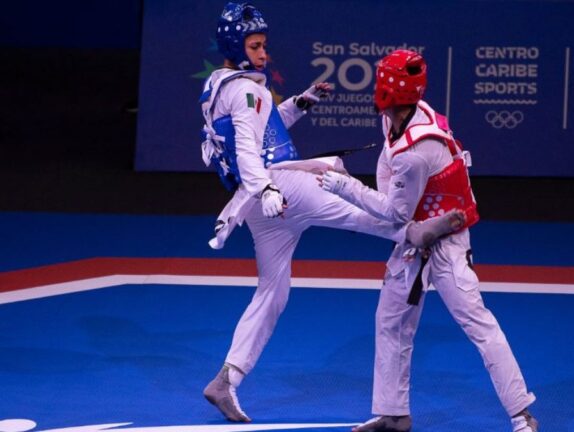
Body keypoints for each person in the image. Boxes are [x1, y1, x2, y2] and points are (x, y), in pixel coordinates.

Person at [198, 3, 464, 424]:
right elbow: (248, 149)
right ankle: (416, 233)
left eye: (264, 45)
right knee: (355, 211)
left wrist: (300, 104)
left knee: (273, 290)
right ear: (236, 45)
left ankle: (226, 379)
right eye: (256, 45)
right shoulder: (246, 91)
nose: (264, 53)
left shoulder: (222, 86)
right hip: (280, 187)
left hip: (260, 206)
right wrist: (266, 187)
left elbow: (265, 125)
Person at [320, 50, 538, 432]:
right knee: (390, 322)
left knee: (476, 323)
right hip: (414, 237)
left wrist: (343, 185)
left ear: (388, 90)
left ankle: (522, 416)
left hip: (447, 242)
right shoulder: (403, 118)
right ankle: (394, 413)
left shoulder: (416, 152)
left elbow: (392, 213)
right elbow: (394, 188)